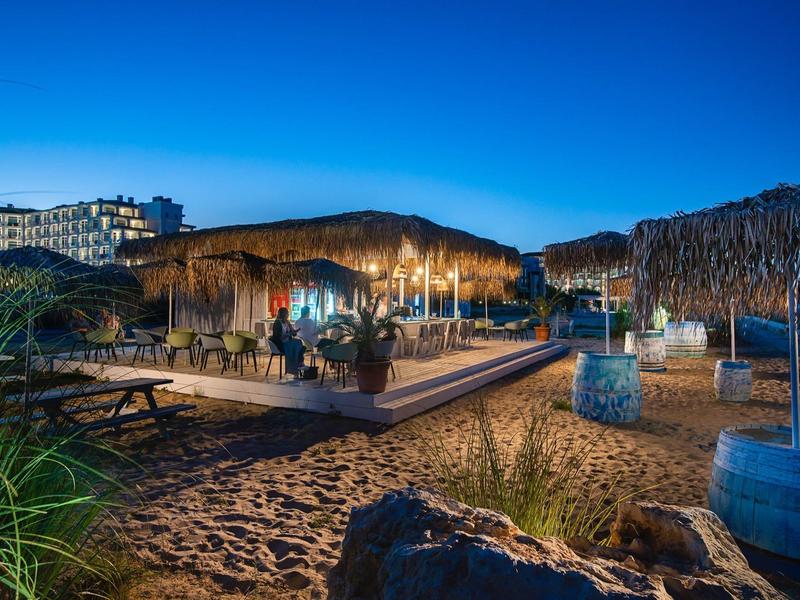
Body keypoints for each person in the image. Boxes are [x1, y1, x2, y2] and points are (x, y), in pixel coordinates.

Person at [270, 307, 305, 375]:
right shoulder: (277, 323)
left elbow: (293, 333)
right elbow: (279, 337)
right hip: (280, 344)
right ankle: (299, 364)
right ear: (284, 314)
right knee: (298, 345)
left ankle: (298, 364)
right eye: (287, 313)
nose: (288, 315)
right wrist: (289, 334)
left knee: (299, 342)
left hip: (288, 342)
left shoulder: (287, 322)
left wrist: (296, 331)